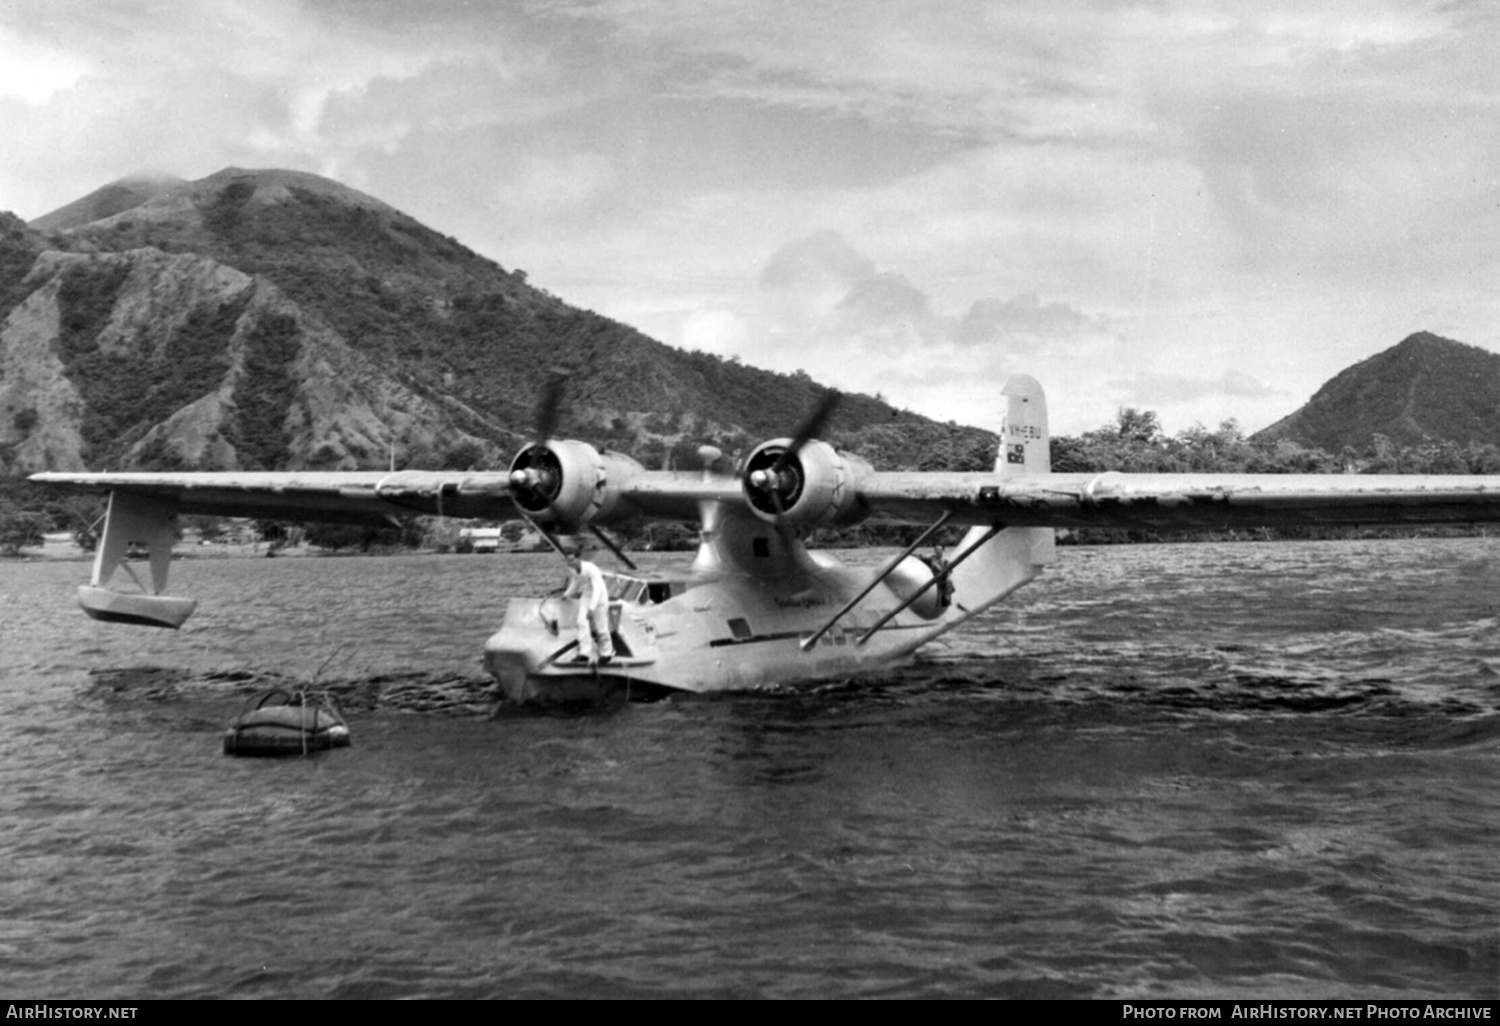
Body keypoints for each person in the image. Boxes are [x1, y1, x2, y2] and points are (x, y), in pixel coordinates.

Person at [564, 553, 615, 665]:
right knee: (581, 623)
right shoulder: (573, 570)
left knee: (601, 627)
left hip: (599, 598)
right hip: (586, 596)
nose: (570, 563)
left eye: (572, 560)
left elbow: (597, 589)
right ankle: (584, 654)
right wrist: (566, 595)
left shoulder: (591, 569)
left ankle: (606, 654)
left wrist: (592, 608)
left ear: (578, 558)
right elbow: (575, 582)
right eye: (568, 560)